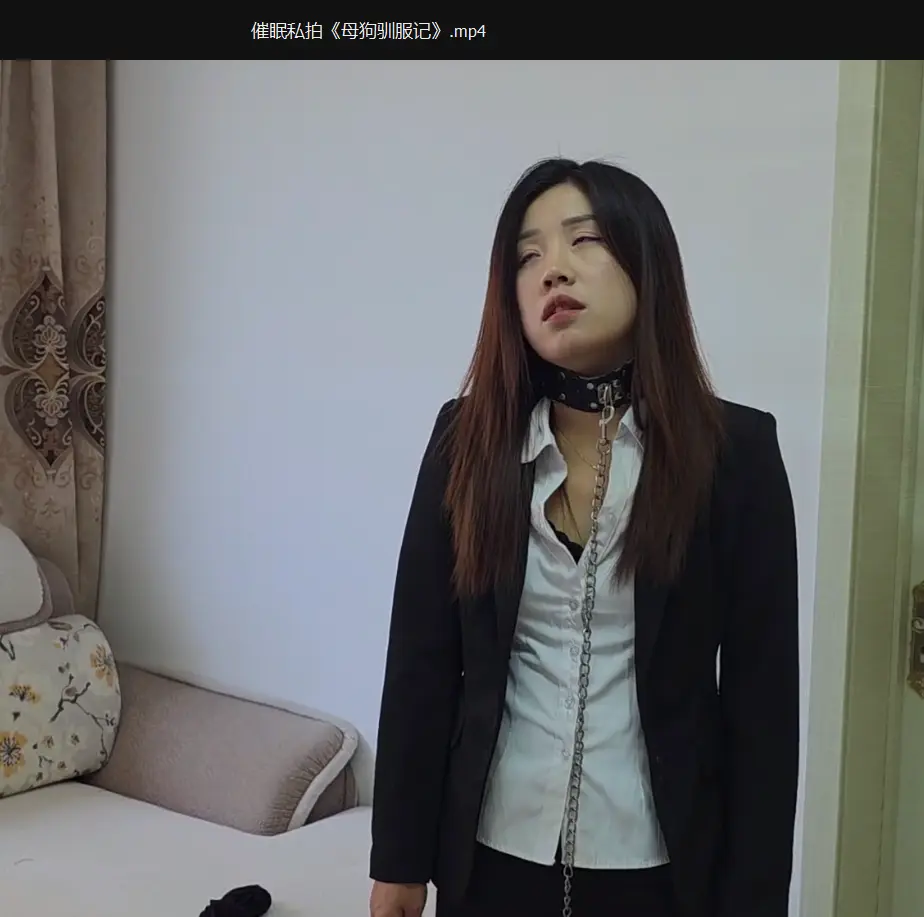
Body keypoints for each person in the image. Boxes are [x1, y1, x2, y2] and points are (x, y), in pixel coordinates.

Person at [368, 158, 800, 917]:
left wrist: (754, 900)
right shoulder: (465, 441)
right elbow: (421, 663)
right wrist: (399, 861)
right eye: (526, 255)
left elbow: (762, 708)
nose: (552, 270)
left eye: (585, 240)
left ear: (647, 263)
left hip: (659, 864)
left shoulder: (737, 455)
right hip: (491, 856)